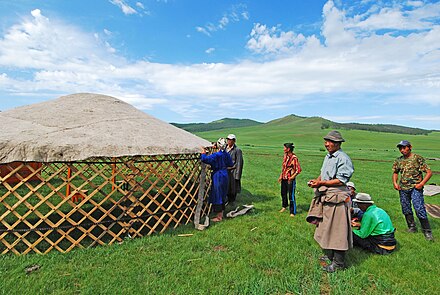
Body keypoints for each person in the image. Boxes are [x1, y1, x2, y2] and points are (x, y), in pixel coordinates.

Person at [307, 130, 354, 273]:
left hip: (337, 199)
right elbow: (323, 174)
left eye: (329, 141)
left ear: (337, 144)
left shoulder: (343, 158)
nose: (326, 144)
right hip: (328, 198)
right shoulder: (329, 156)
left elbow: (341, 180)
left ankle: (339, 264)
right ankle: (332, 256)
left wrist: (323, 184)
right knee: (328, 227)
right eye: (325, 141)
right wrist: (317, 181)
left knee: (338, 230)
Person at [392, 140, 434, 241]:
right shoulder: (398, 160)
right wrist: (395, 183)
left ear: (410, 147)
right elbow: (395, 172)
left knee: (419, 208)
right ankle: (412, 227)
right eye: (400, 148)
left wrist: (421, 184)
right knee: (405, 207)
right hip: (403, 188)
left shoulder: (417, 158)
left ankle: (427, 231)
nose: (402, 150)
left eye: (404, 147)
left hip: (415, 188)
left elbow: (429, 172)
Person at [200, 138, 234, 222]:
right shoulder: (226, 154)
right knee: (222, 194)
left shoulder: (217, 155)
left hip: (218, 175)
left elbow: (205, 159)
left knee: (218, 194)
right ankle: (221, 214)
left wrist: (203, 152)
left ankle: (219, 217)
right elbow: (231, 164)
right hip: (225, 175)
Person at [278, 142, 302, 217]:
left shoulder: (294, 158)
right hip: (284, 178)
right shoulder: (285, 156)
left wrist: (292, 177)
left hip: (290, 179)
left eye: (285, 148)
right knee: (283, 193)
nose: (283, 149)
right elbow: (284, 168)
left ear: (288, 149)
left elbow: (298, 170)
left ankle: (292, 212)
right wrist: (281, 176)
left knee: (291, 195)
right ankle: (284, 206)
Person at [226, 134, 244, 204]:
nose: (229, 141)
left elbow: (239, 162)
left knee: (233, 187)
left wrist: (237, 176)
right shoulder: (225, 148)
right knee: (226, 185)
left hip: (233, 171)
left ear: (234, 141)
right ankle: (227, 199)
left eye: (230, 140)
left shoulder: (237, 150)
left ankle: (232, 201)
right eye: (228, 139)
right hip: (226, 170)